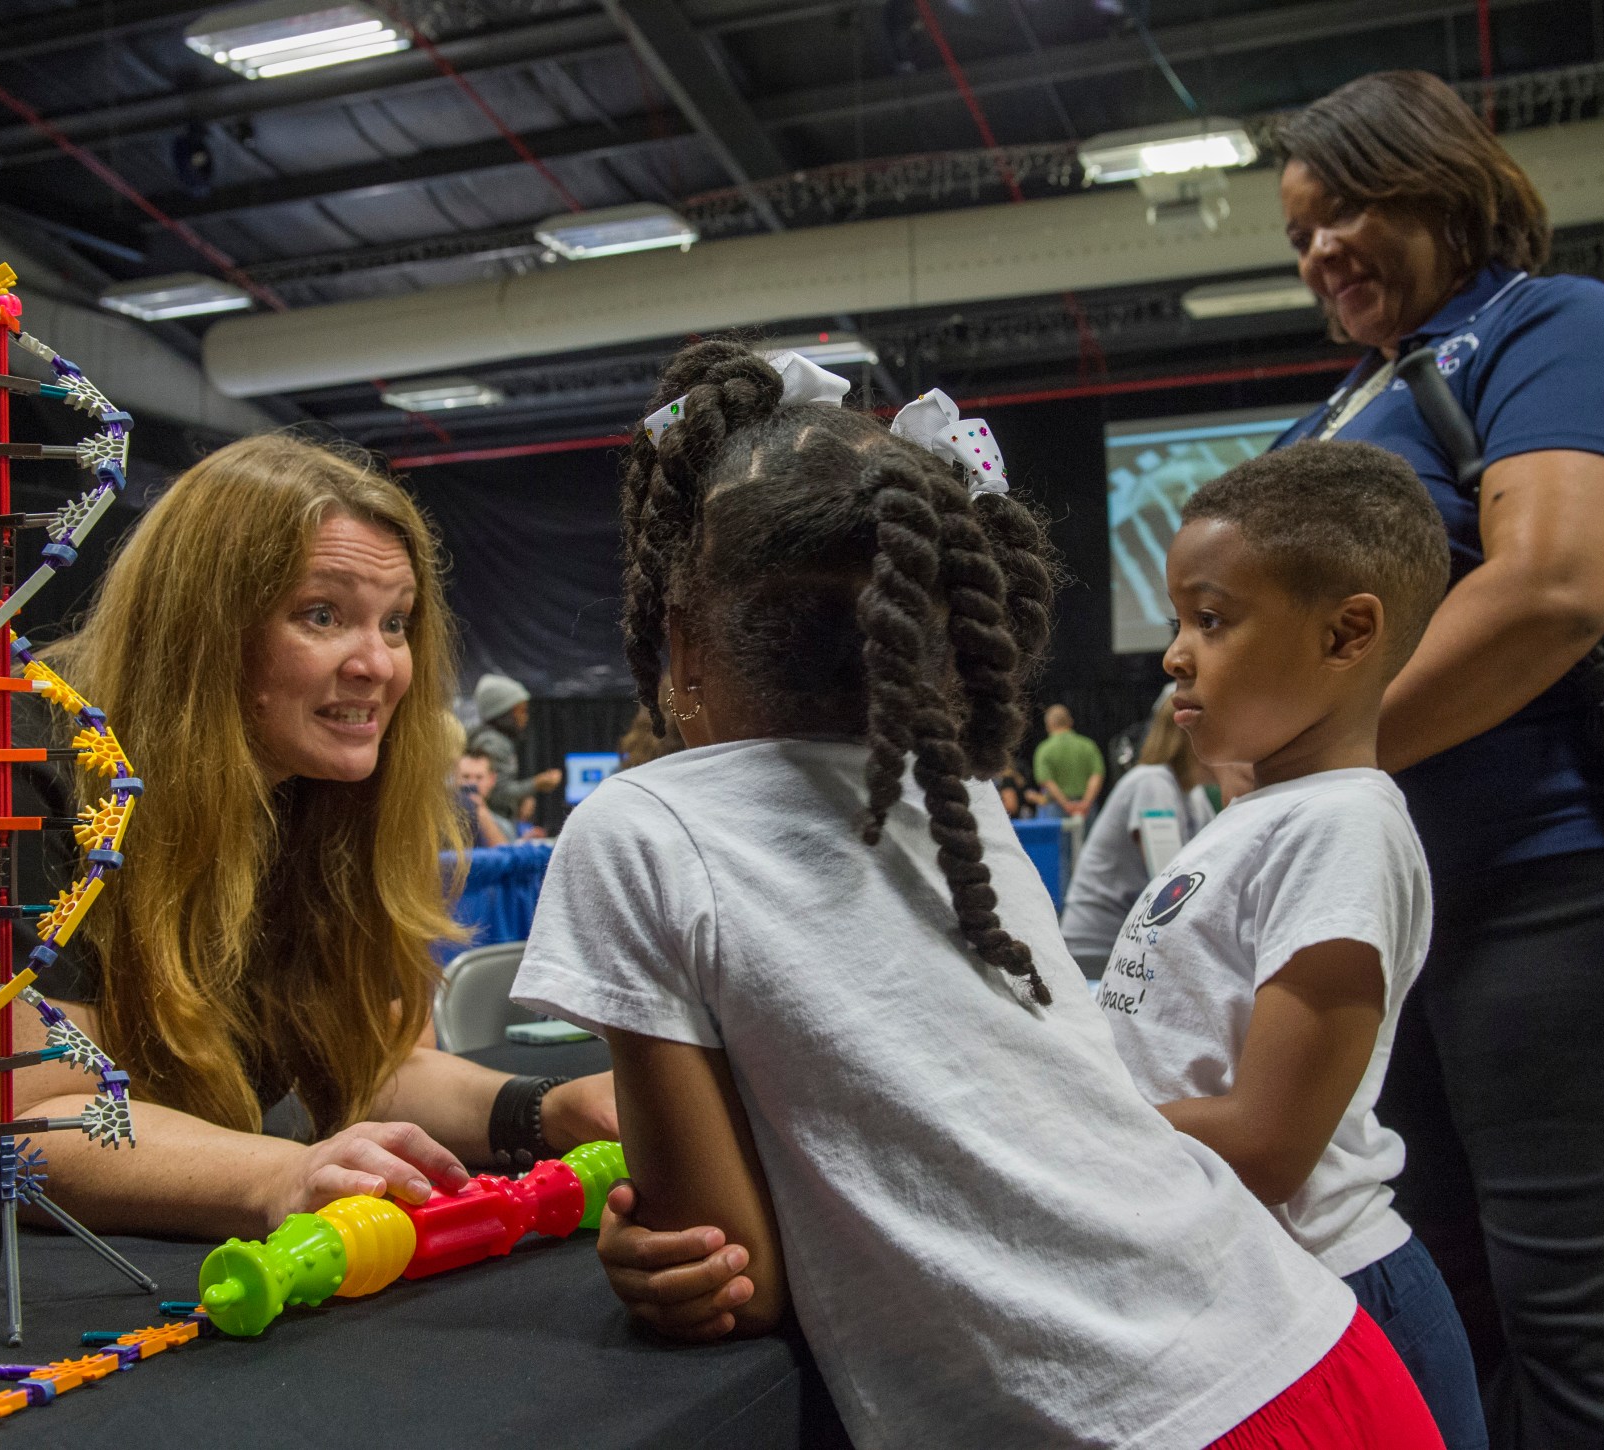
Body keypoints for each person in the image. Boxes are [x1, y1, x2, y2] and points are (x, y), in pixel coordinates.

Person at [514, 340, 1443, 1448]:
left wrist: (657, 1238)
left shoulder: (635, 827)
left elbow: (735, 1276)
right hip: (1319, 1354)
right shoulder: (958, 809)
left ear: (680, 643)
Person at [0, 433, 615, 1231]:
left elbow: (356, 1068)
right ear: (204, 629)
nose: (379, 663)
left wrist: (544, 1112)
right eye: (322, 614)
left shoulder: (316, 791)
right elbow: (22, 1119)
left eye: (395, 621)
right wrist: (282, 1176)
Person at [1272, 71, 1604, 1447]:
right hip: (1387, 910)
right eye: (1299, 232)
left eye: (1345, 206)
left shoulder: (1554, 326)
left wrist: (1305, 766)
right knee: (1439, 1284)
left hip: (1559, 871)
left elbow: (1549, 587)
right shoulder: (1341, 405)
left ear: (1440, 181)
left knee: (1578, 1307)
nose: (1320, 251)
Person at [1097, 442, 1486, 1449]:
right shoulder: (1261, 815)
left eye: (1211, 620)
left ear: (1347, 632)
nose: (1175, 652)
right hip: (1249, 1284)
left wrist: (1067, 1118)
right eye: (1180, 620)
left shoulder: (1340, 826)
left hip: (1331, 1296)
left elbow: (1269, 1141)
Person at [1058, 685, 1213, 978]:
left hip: (1128, 949)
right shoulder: (1152, 783)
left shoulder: (1194, 796)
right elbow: (1173, 892)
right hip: (1097, 955)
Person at [467, 673, 561, 825]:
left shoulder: (497, 740)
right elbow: (496, 792)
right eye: (521, 711)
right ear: (503, 713)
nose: (526, 717)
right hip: (492, 824)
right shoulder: (493, 743)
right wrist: (536, 784)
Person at [1031, 704, 1105, 818]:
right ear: (1070, 722)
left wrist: (1066, 805)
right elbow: (1097, 775)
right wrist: (1086, 802)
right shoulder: (1088, 745)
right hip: (1087, 809)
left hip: (1056, 809)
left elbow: (1046, 781)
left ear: (1048, 725)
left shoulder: (1044, 750)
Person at [455, 748, 515, 847]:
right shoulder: (441, 818)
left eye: (479, 777)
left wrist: (482, 813)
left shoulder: (504, 826)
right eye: (465, 777)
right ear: (455, 778)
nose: (472, 784)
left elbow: (505, 856)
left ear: (492, 779)